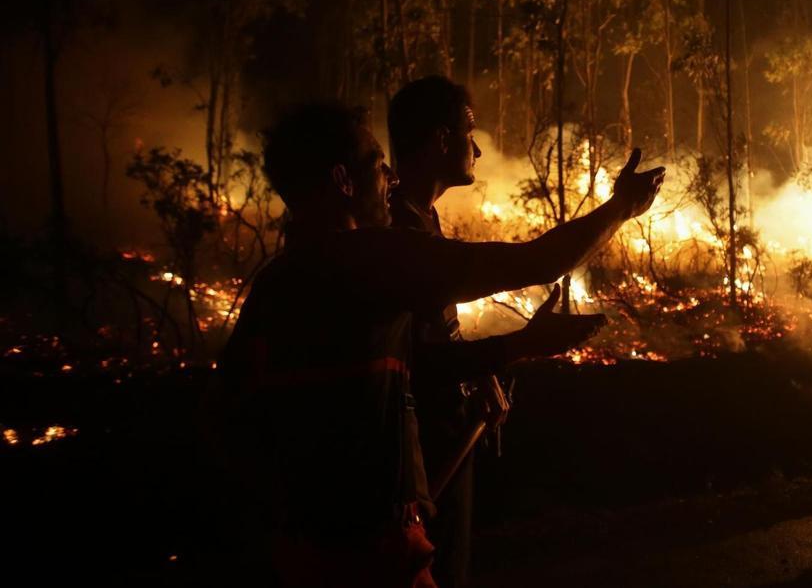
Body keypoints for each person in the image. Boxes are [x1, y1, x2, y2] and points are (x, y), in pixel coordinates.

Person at [215, 101, 664, 587]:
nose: (389, 176)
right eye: (374, 162)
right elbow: (536, 263)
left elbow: (224, 416)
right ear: (343, 181)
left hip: (300, 549)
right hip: (374, 550)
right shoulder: (371, 258)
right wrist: (622, 207)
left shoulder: (275, 283)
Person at [384, 76, 518, 587]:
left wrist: (481, 375)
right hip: (419, 448)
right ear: (441, 140)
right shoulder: (398, 227)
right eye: (469, 131)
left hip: (444, 429)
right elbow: (416, 350)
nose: (478, 148)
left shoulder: (422, 218)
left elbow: (436, 322)